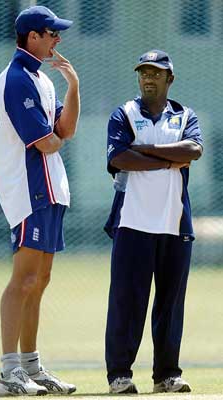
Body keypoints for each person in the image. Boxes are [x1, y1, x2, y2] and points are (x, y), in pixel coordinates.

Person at [0, 5, 80, 396]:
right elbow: (46, 141)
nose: (57, 39)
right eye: (51, 33)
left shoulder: (41, 79)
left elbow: (65, 131)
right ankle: (9, 373)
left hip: (49, 187)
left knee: (40, 280)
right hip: (28, 191)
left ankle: (31, 367)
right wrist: (56, 141)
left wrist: (73, 85)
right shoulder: (15, 79)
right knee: (24, 279)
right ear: (32, 36)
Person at [105, 49, 203, 394]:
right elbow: (119, 158)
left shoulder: (184, 114)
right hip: (132, 221)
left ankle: (166, 375)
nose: (148, 78)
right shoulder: (125, 113)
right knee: (127, 302)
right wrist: (167, 159)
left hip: (174, 222)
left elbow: (192, 151)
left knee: (170, 304)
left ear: (169, 79)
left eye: (156, 73)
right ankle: (120, 375)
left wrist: (143, 149)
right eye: (143, 72)